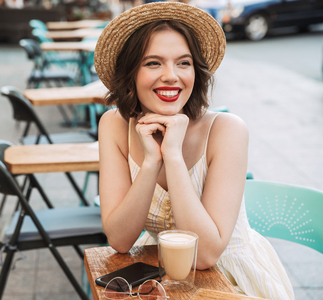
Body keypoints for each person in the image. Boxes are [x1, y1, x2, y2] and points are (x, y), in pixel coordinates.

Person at [94, 2, 294, 299]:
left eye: (183, 63)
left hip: (231, 279)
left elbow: (204, 257)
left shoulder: (227, 130)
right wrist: (151, 162)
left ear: (196, 71)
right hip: (164, 278)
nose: (171, 76)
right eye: (153, 63)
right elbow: (120, 240)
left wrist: (172, 156)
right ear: (131, 72)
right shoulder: (114, 124)